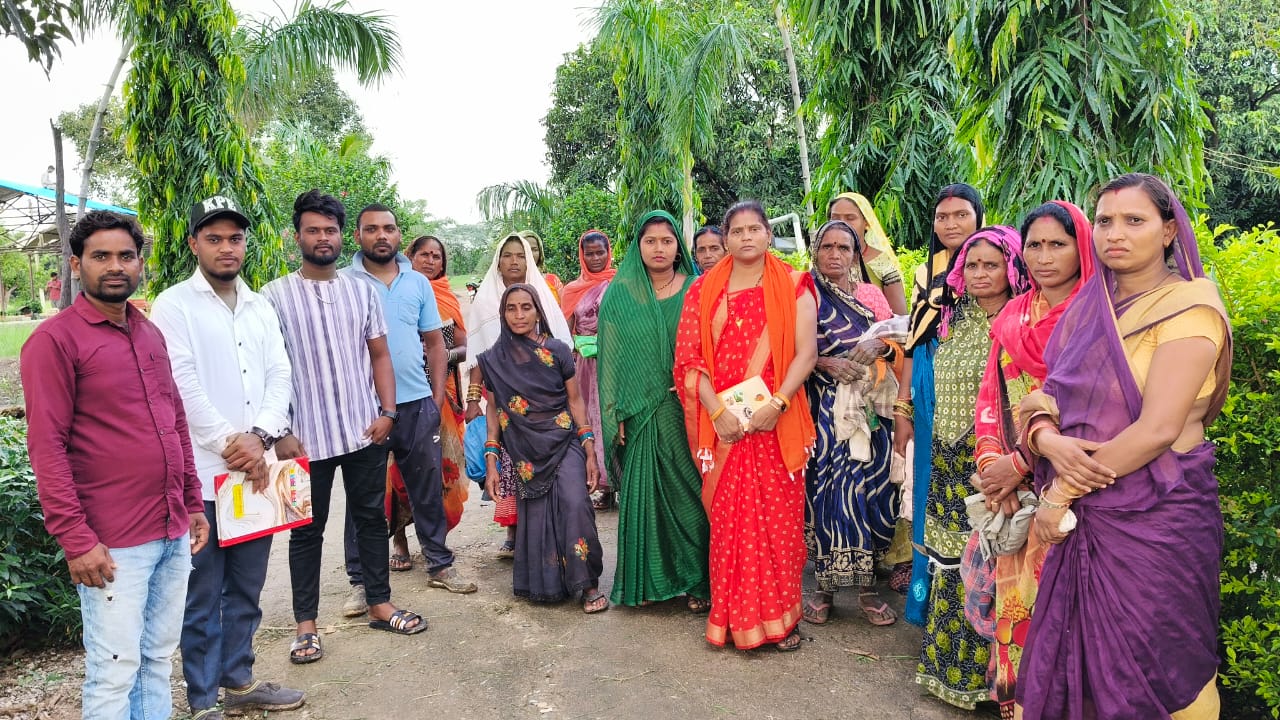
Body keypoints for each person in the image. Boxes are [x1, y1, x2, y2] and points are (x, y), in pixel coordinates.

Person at [1016, 174, 1232, 720]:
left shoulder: (1190, 308)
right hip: (1088, 516)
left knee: (1162, 663)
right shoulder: (1092, 308)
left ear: (1168, 231)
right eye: (1105, 221)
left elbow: (1158, 429)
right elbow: (1045, 397)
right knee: (1082, 663)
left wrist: (1059, 493)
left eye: (1135, 220)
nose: (1115, 233)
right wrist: (1046, 438)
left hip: (1158, 517)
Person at [22, 210, 210, 718]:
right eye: (100, 256)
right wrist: (76, 539)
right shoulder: (55, 342)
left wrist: (192, 502)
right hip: (112, 541)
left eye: (126, 256)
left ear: (139, 264)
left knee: (156, 659)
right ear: (75, 265)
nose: (115, 266)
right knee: (114, 670)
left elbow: (174, 421)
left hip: (170, 529)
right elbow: (47, 447)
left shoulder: (148, 332)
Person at [150, 195, 304, 719]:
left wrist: (259, 437)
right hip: (203, 476)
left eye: (234, 238)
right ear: (194, 243)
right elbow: (181, 384)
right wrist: (230, 443)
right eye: (213, 238)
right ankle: (202, 699)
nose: (226, 247)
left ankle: (239, 680)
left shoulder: (260, 306)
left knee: (247, 585)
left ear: (245, 243)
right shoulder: (174, 305)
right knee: (202, 591)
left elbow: (280, 374)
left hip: (257, 474)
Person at [261, 190, 428, 666]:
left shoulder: (362, 291)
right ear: (296, 236)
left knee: (371, 518)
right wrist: (280, 432)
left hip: (362, 431)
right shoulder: (272, 297)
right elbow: (267, 369)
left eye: (330, 230)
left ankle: (380, 604)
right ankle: (306, 627)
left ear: (341, 236)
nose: (322, 238)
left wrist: (388, 413)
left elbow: (380, 355)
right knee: (304, 531)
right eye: (312, 230)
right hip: (300, 441)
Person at [674, 199, 818, 651]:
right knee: (729, 526)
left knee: (778, 526)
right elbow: (688, 360)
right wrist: (718, 413)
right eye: (737, 231)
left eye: (755, 228)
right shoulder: (702, 291)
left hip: (776, 422)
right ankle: (735, 620)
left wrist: (778, 402)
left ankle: (780, 621)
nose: (747, 237)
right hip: (725, 428)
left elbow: (806, 354)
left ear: (768, 234)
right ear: (726, 239)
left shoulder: (794, 284)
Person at [970, 201, 1095, 718]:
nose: (1044, 257)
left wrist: (1020, 464)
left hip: (1072, 490)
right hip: (1013, 495)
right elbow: (989, 398)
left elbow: (1093, 409)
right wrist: (992, 468)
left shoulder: (1098, 317)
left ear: (1080, 247)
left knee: (1067, 620)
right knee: (1016, 613)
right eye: (1035, 246)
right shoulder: (1014, 315)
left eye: (1057, 244)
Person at [915, 226, 1030, 709]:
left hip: (996, 461)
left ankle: (993, 684)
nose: (981, 274)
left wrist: (1013, 465)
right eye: (973, 265)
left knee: (992, 561)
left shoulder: (1023, 319)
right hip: (947, 455)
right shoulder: (953, 315)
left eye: (992, 265)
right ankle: (947, 671)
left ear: (1012, 267)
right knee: (950, 562)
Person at [341, 206, 476, 609]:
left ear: (399, 234)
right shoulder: (344, 282)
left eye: (389, 228)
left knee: (427, 489)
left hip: (417, 404)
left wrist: (435, 399)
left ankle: (439, 565)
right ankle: (361, 582)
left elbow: (435, 344)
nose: (381, 235)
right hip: (365, 407)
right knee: (364, 496)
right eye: (371, 229)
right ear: (357, 236)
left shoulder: (417, 283)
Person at [598, 210, 710, 609]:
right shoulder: (621, 294)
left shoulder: (696, 289)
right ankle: (647, 583)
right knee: (643, 498)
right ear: (638, 246)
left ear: (678, 247)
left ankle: (698, 581)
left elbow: (711, 346)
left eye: (666, 240)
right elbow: (612, 358)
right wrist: (615, 411)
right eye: (650, 241)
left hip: (687, 409)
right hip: (638, 411)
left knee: (692, 496)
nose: (658, 248)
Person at [478, 284, 608, 612]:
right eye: (511, 308)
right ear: (502, 314)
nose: (519, 315)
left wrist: (590, 449)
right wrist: (492, 462)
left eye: (526, 307)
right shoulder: (493, 360)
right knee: (537, 516)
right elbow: (493, 410)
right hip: (525, 452)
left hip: (564, 441)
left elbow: (575, 401)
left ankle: (587, 584)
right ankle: (550, 584)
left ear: (538, 311)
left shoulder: (558, 350)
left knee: (575, 504)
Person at [801, 220, 903, 627]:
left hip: (871, 408)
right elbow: (789, 348)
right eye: (826, 246)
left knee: (872, 493)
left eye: (843, 247)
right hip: (823, 411)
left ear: (855, 254)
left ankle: (866, 588)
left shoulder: (870, 297)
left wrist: (882, 346)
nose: (835, 254)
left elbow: (899, 339)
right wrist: (824, 362)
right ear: (815, 251)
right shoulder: (805, 294)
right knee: (829, 493)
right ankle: (824, 589)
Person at [900, 183, 985, 625]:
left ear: (979, 217)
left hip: (978, 389)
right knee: (930, 483)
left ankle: (977, 608)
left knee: (975, 487)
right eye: (942, 217)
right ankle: (931, 604)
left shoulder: (994, 265)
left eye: (961, 214)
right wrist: (903, 407)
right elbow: (914, 339)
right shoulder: (925, 273)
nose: (950, 224)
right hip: (929, 385)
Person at [465, 233, 572, 557]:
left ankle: (548, 533)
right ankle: (514, 531)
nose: (514, 261)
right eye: (507, 255)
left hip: (544, 403)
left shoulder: (542, 295)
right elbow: (479, 357)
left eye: (520, 255)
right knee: (510, 463)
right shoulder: (485, 301)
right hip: (503, 400)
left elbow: (558, 347)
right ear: (498, 260)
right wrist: (473, 400)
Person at [407, 235, 469, 535]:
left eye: (436, 256)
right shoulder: (398, 292)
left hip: (443, 392)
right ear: (410, 257)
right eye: (424, 255)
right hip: (403, 389)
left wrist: (442, 355)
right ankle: (400, 538)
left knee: (442, 462)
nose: (430, 261)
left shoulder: (446, 297)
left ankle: (437, 537)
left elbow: (464, 347)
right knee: (400, 466)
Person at [559, 230, 617, 509]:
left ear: (609, 253)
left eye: (600, 252)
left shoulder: (620, 283)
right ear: (582, 256)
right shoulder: (572, 290)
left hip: (616, 361)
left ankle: (622, 482)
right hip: (585, 365)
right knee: (590, 419)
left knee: (615, 418)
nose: (595, 258)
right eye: (589, 253)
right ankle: (602, 486)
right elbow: (566, 331)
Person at [827, 192, 908, 314]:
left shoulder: (881, 262)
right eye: (835, 218)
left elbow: (900, 317)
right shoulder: (822, 262)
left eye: (850, 218)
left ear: (866, 222)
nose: (842, 224)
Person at [521, 230, 563, 301]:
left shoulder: (552, 280)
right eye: (526, 249)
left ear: (540, 252)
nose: (531, 254)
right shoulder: (511, 282)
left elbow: (565, 306)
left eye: (534, 249)